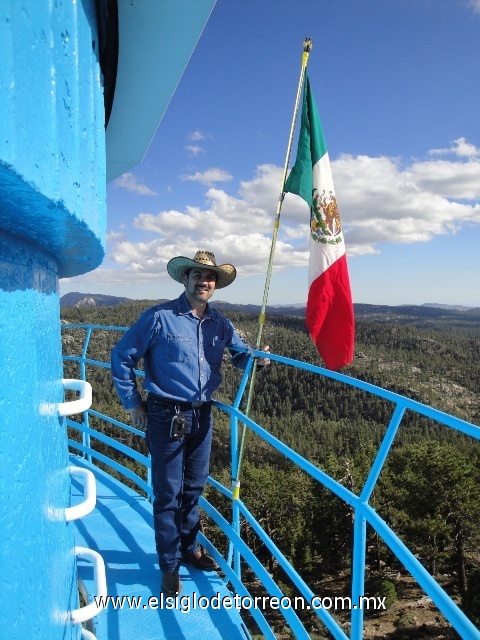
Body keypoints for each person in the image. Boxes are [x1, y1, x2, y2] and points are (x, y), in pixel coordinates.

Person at [110, 250, 269, 595]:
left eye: (209, 277)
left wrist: (259, 359)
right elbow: (121, 356)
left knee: (194, 487)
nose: (204, 281)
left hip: (203, 413)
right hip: (166, 413)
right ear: (185, 279)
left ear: (215, 285)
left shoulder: (220, 323)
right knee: (169, 493)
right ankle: (169, 565)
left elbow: (241, 356)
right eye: (197, 275)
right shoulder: (159, 317)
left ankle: (189, 548)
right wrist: (133, 403)